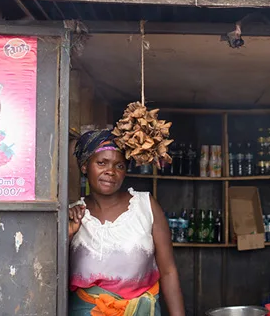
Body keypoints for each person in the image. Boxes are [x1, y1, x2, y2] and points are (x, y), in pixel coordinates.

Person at [68, 130, 185, 316]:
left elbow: (168, 271)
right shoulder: (73, 215)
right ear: (84, 166)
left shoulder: (145, 206)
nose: (110, 171)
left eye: (119, 166)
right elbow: (49, 270)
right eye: (101, 163)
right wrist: (67, 233)